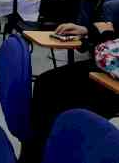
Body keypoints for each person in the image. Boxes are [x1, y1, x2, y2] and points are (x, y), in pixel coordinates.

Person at [20, 19, 119, 163]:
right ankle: (35, 155)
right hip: (109, 64)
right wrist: (89, 29)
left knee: (58, 94)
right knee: (47, 82)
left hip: (113, 78)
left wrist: (105, 36)